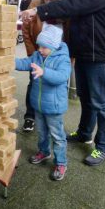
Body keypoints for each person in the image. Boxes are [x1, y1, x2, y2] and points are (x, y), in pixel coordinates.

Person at [20, 0, 105, 166]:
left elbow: (77, 4)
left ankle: (104, 147)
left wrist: (39, 10)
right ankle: (84, 133)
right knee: (86, 97)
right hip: (85, 53)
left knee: (100, 102)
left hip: (99, 55)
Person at [15, 24, 71, 180]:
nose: (40, 49)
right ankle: (44, 152)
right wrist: (10, 62)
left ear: (53, 47)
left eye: (43, 47)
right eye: (39, 46)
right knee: (41, 131)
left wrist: (44, 72)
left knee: (57, 135)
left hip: (54, 107)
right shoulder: (38, 56)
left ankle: (61, 162)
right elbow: (26, 63)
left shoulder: (62, 59)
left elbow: (62, 76)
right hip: (38, 104)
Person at [22, 0, 70, 132]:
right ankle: (30, 116)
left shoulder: (67, 9)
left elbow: (70, 36)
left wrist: (69, 60)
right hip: (38, 54)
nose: (48, 2)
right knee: (34, 83)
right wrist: (31, 53)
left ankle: (52, 117)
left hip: (58, 58)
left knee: (55, 86)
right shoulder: (36, 5)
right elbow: (26, 30)